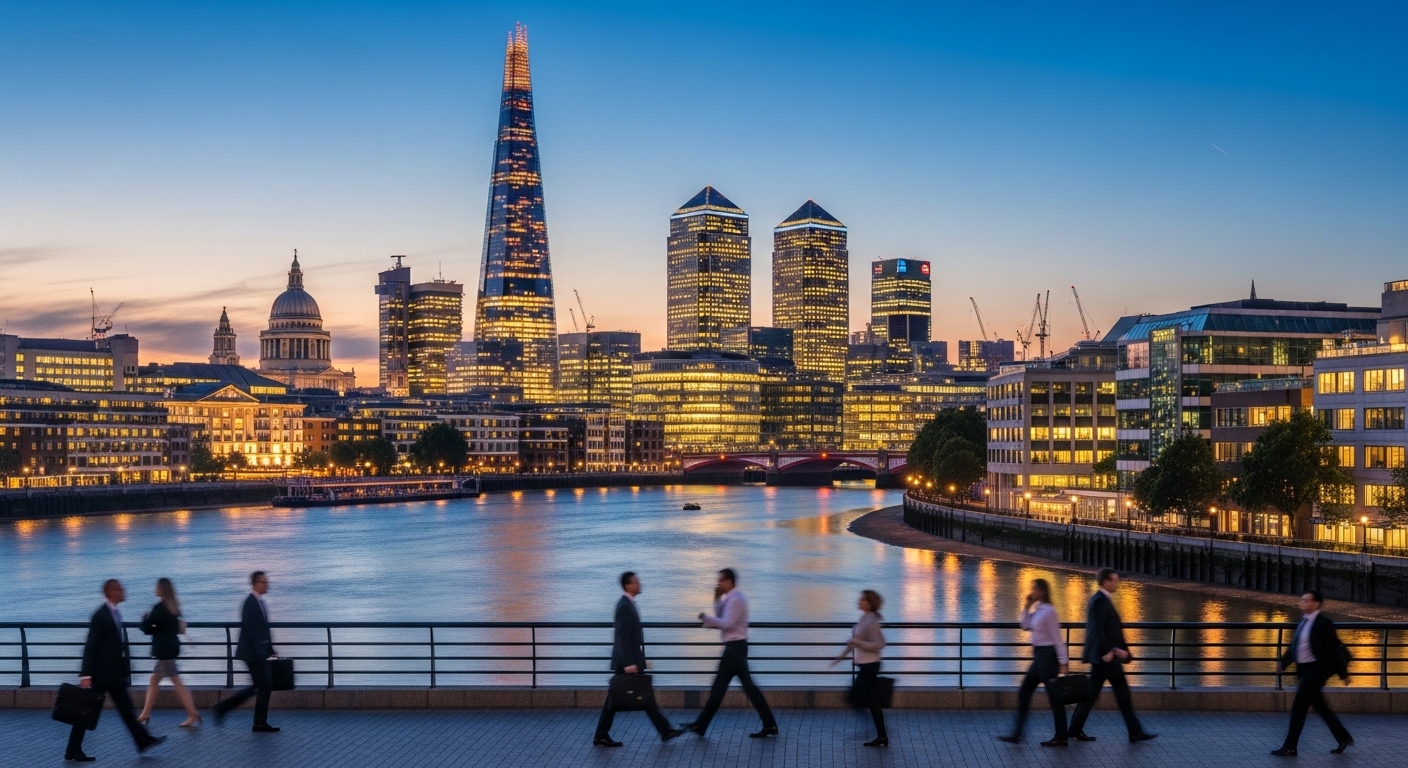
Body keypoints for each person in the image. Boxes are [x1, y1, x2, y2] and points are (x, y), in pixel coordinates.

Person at [65, 579, 165, 762]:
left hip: (112, 675)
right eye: (119, 589)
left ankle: (143, 741)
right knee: (86, 712)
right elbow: (91, 646)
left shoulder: (114, 613)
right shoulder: (101, 616)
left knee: (126, 710)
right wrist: (86, 675)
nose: (123, 591)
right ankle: (73, 750)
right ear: (111, 592)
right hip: (100, 676)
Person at [681, 568, 778, 738]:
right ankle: (769, 724)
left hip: (734, 648)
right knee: (746, 689)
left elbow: (727, 623)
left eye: (721, 580)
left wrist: (706, 618)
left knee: (721, 690)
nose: (719, 583)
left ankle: (700, 725)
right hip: (735, 648)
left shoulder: (737, 600)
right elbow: (721, 615)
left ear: (730, 581)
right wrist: (717, 598)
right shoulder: (730, 599)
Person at [593, 572, 684, 747]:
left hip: (629, 659)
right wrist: (629, 663)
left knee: (636, 696)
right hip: (627, 661)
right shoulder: (625, 606)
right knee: (628, 698)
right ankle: (664, 731)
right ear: (628, 585)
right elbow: (622, 637)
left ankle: (664, 730)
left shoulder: (627, 604)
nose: (639, 584)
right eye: (636, 582)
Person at [1066, 569, 1157, 743]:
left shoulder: (1100, 600)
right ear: (1106, 581)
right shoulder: (1100, 601)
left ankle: (1076, 729)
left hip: (1105, 659)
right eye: (1115, 580)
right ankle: (1134, 732)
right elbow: (1097, 631)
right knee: (1113, 696)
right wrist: (1114, 650)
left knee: (1102, 695)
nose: (1117, 583)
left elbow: (1102, 630)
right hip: (1105, 659)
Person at [1272, 590, 1353, 756]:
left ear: (1316, 604)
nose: (1303, 603)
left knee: (1299, 707)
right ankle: (1343, 737)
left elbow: (1334, 651)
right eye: (1302, 600)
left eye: (1306, 600)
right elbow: (1296, 645)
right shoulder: (1303, 621)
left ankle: (1290, 746)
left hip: (1316, 671)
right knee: (1321, 707)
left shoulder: (1324, 624)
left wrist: (1343, 674)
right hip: (1305, 670)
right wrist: (1283, 663)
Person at [998, 578, 1070, 747]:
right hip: (1038, 657)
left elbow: (1057, 638)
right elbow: (1024, 625)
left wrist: (1064, 661)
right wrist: (1026, 606)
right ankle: (1017, 734)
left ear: (1042, 591)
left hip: (1048, 657)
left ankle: (1061, 736)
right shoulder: (1038, 609)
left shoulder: (1049, 611)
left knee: (1055, 698)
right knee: (1024, 691)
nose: (1032, 591)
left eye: (1035, 589)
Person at [213, 571, 279, 732]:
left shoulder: (258, 603)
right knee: (264, 685)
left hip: (256, 652)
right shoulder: (250, 604)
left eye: (266, 582)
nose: (266, 584)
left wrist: (270, 648)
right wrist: (262, 651)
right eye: (263, 582)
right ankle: (257, 722)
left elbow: (262, 630)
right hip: (253, 654)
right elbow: (251, 631)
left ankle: (227, 709)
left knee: (259, 686)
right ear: (255, 584)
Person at [136, 578, 201, 728]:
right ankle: (146, 713)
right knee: (156, 681)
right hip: (172, 647)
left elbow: (146, 628)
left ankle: (192, 713)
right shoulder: (174, 606)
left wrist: (144, 619)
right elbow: (171, 628)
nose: (155, 589)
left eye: (157, 587)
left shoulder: (159, 608)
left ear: (162, 589)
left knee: (176, 683)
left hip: (164, 650)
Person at [832, 590, 888, 747]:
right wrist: (840, 658)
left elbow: (880, 644)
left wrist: (858, 644)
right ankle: (882, 735)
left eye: (862, 599)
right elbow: (854, 641)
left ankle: (880, 732)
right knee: (869, 701)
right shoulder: (864, 619)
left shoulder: (871, 621)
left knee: (855, 698)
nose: (859, 601)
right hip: (866, 665)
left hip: (870, 666)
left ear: (869, 604)